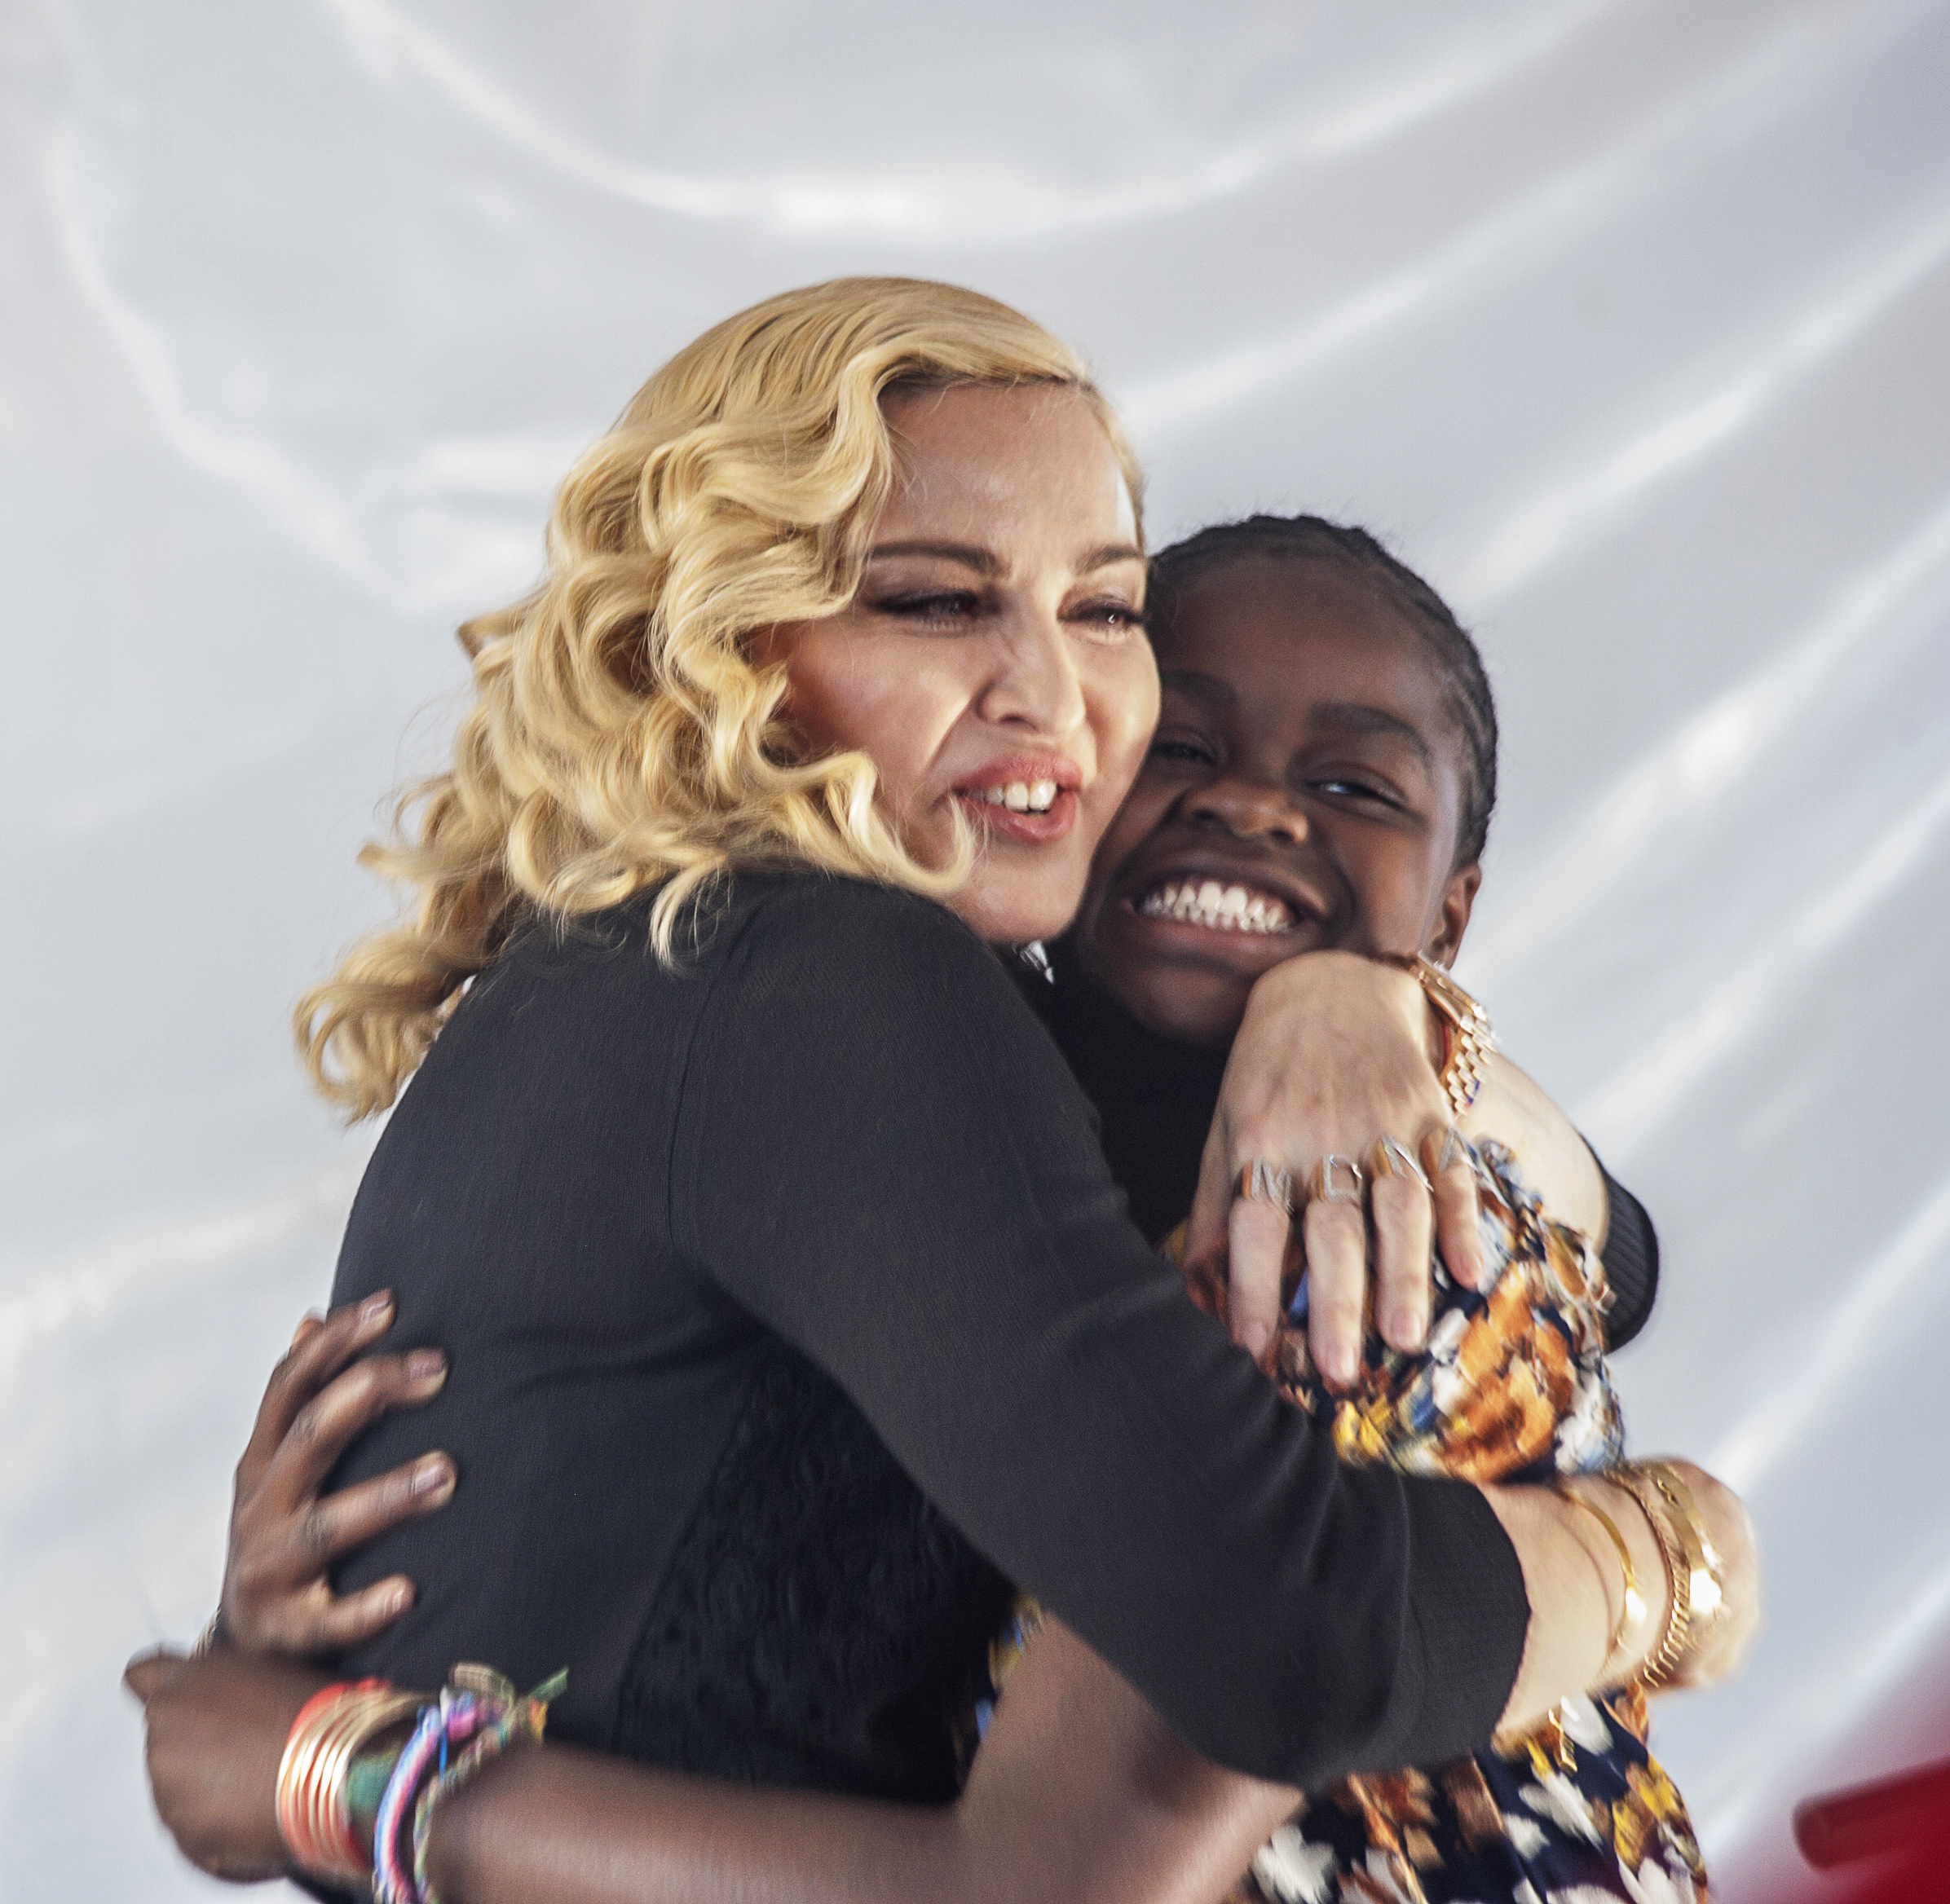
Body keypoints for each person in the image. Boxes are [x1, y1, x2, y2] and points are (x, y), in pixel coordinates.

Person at [128, 279, 1756, 1902]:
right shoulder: (819, 980)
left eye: (1104, 608)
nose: (1050, 691)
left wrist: (1380, 1015)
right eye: (931, 602)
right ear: (721, 647)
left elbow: (1607, 1259)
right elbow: (1270, 1665)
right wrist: (1674, 1556)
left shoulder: (638, 968)